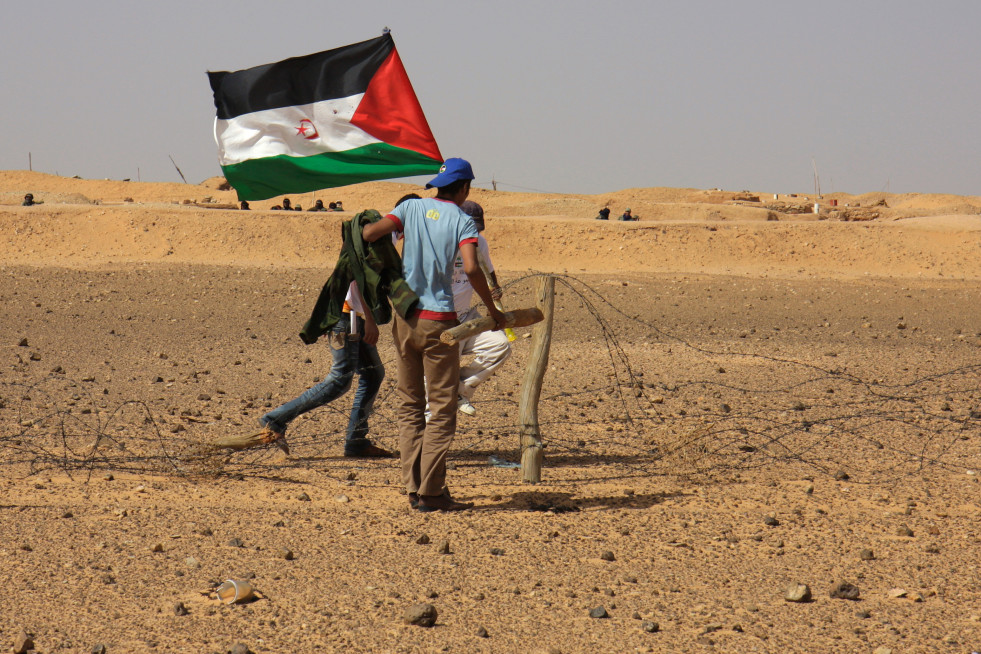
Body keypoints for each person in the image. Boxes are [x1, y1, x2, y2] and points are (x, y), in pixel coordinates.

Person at [363, 158, 504, 512]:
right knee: (441, 409)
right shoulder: (463, 220)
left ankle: (413, 487)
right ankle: (432, 493)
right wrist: (493, 309)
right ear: (464, 188)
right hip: (439, 320)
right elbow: (471, 267)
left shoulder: (409, 207)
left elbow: (370, 234)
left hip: (404, 318)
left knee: (410, 403)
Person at [257, 277, 394, 459]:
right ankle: (275, 420)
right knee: (340, 380)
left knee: (373, 374)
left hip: (353, 315)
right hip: (349, 317)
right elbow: (357, 273)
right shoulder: (373, 246)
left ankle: (356, 442)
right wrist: (369, 318)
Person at [452, 201, 511, 416]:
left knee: (500, 346)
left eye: (476, 228)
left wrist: (494, 288)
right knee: (436, 383)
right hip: (444, 320)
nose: (473, 232)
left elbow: (488, 271)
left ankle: (461, 389)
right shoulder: (444, 242)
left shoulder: (480, 242)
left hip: (467, 316)